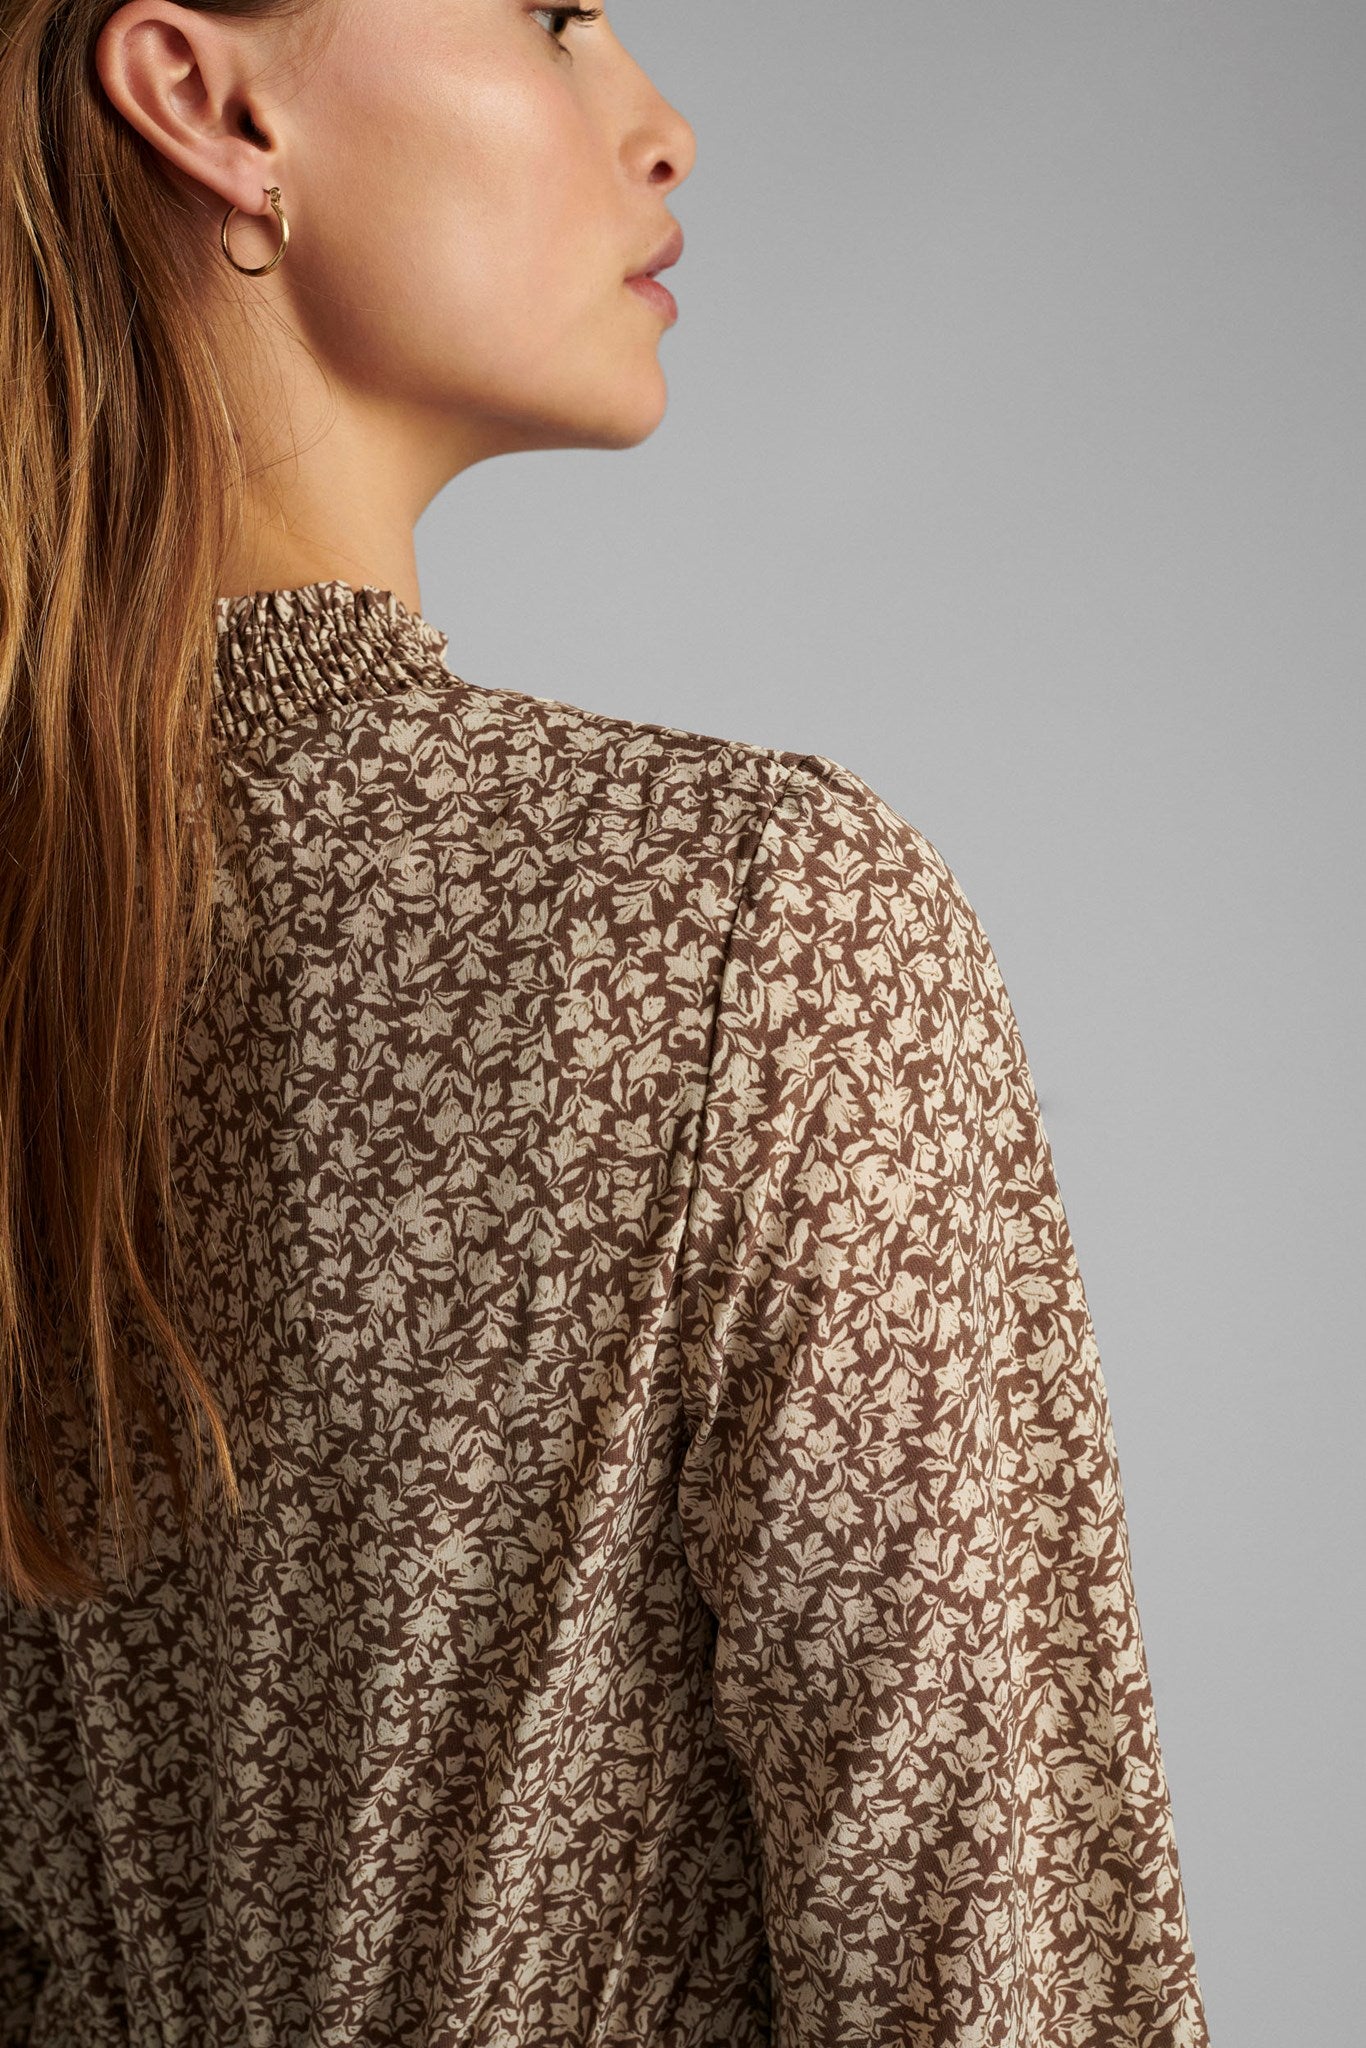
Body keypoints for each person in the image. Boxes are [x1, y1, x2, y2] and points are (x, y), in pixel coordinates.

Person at [0, 3, 1211, 2043]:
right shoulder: (745, 919)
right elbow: (990, 1970)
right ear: (208, 100)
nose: (660, 124)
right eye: (550, 14)